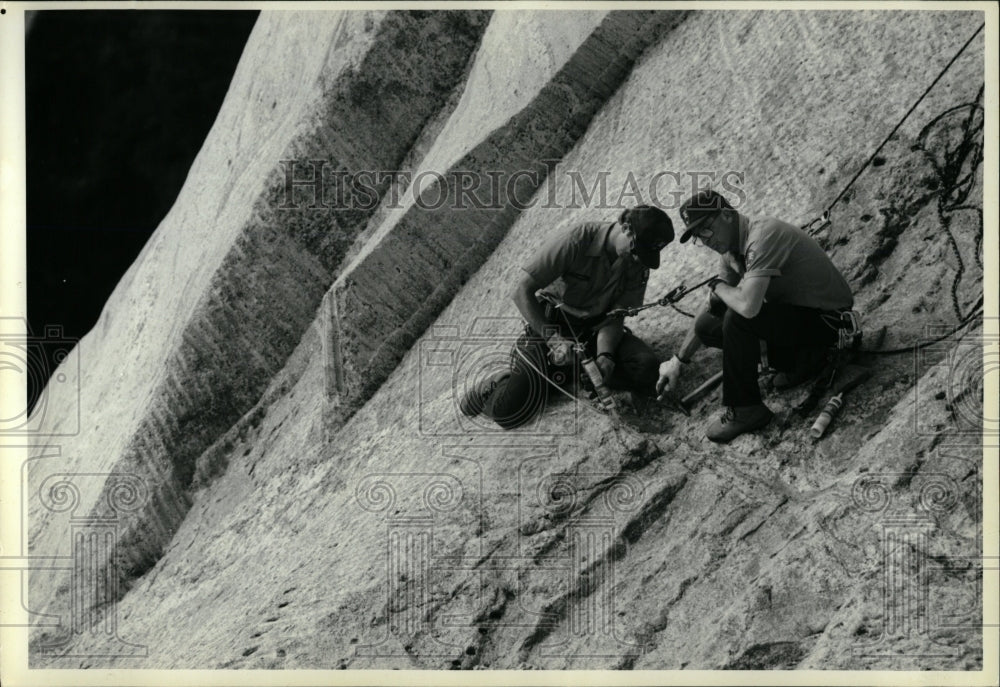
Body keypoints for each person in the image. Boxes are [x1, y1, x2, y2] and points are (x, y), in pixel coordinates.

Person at [656, 190, 854, 443]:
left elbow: (747, 307)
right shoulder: (731, 253)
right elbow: (712, 308)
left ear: (727, 215)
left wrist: (718, 287)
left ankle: (746, 409)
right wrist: (678, 360)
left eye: (706, 228)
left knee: (738, 317)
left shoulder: (763, 236)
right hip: (801, 321)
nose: (705, 240)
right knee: (706, 325)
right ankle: (804, 361)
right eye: (697, 236)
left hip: (830, 322)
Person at [460, 205, 674, 429]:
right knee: (508, 412)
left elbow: (615, 317)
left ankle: (568, 372)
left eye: (647, 255)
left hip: (595, 330)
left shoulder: (637, 262)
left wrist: (605, 356)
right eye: (636, 250)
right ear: (626, 228)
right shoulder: (576, 239)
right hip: (553, 327)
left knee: (648, 369)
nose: (638, 260)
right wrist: (554, 341)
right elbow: (521, 291)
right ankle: (500, 381)